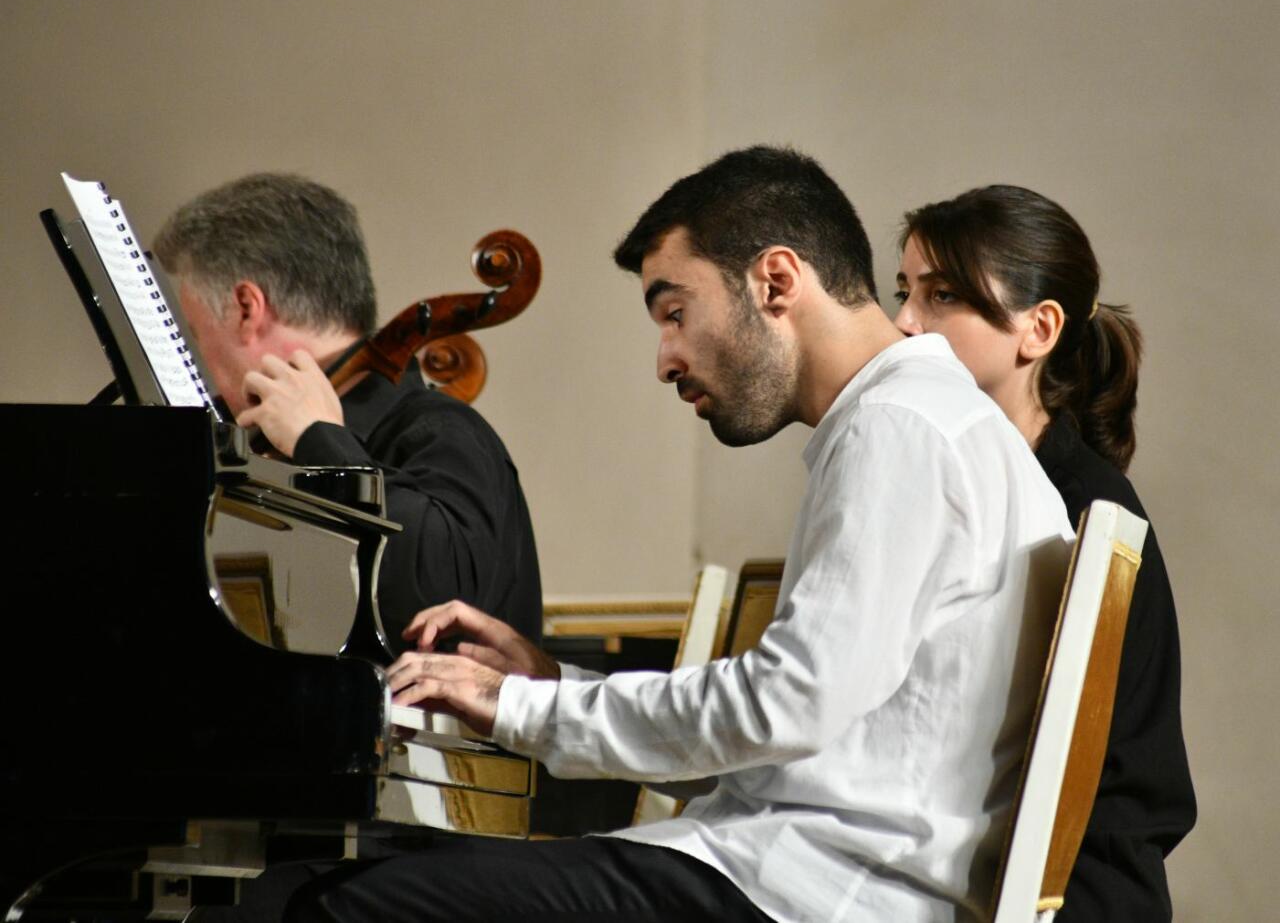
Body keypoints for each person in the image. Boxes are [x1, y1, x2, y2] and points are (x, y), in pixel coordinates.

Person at [283, 146, 1075, 923]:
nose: (665, 360)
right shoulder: (932, 420)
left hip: (803, 892)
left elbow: (784, 707)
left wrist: (516, 704)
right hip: (801, 874)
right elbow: (795, 733)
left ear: (775, 281)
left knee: (345, 904)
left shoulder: (899, 426)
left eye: (675, 312)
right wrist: (557, 684)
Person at [894, 184, 1196, 922]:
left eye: (941, 296)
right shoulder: (963, 482)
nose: (903, 322)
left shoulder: (1086, 506)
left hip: (1069, 895)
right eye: (904, 292)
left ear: (1039, 328)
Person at [153, 172, 542, 648]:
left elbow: (442, 602)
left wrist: (320, 440)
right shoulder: (263, 451)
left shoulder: (445, 432)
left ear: (245, 307)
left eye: (197, 334)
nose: (207, 373)